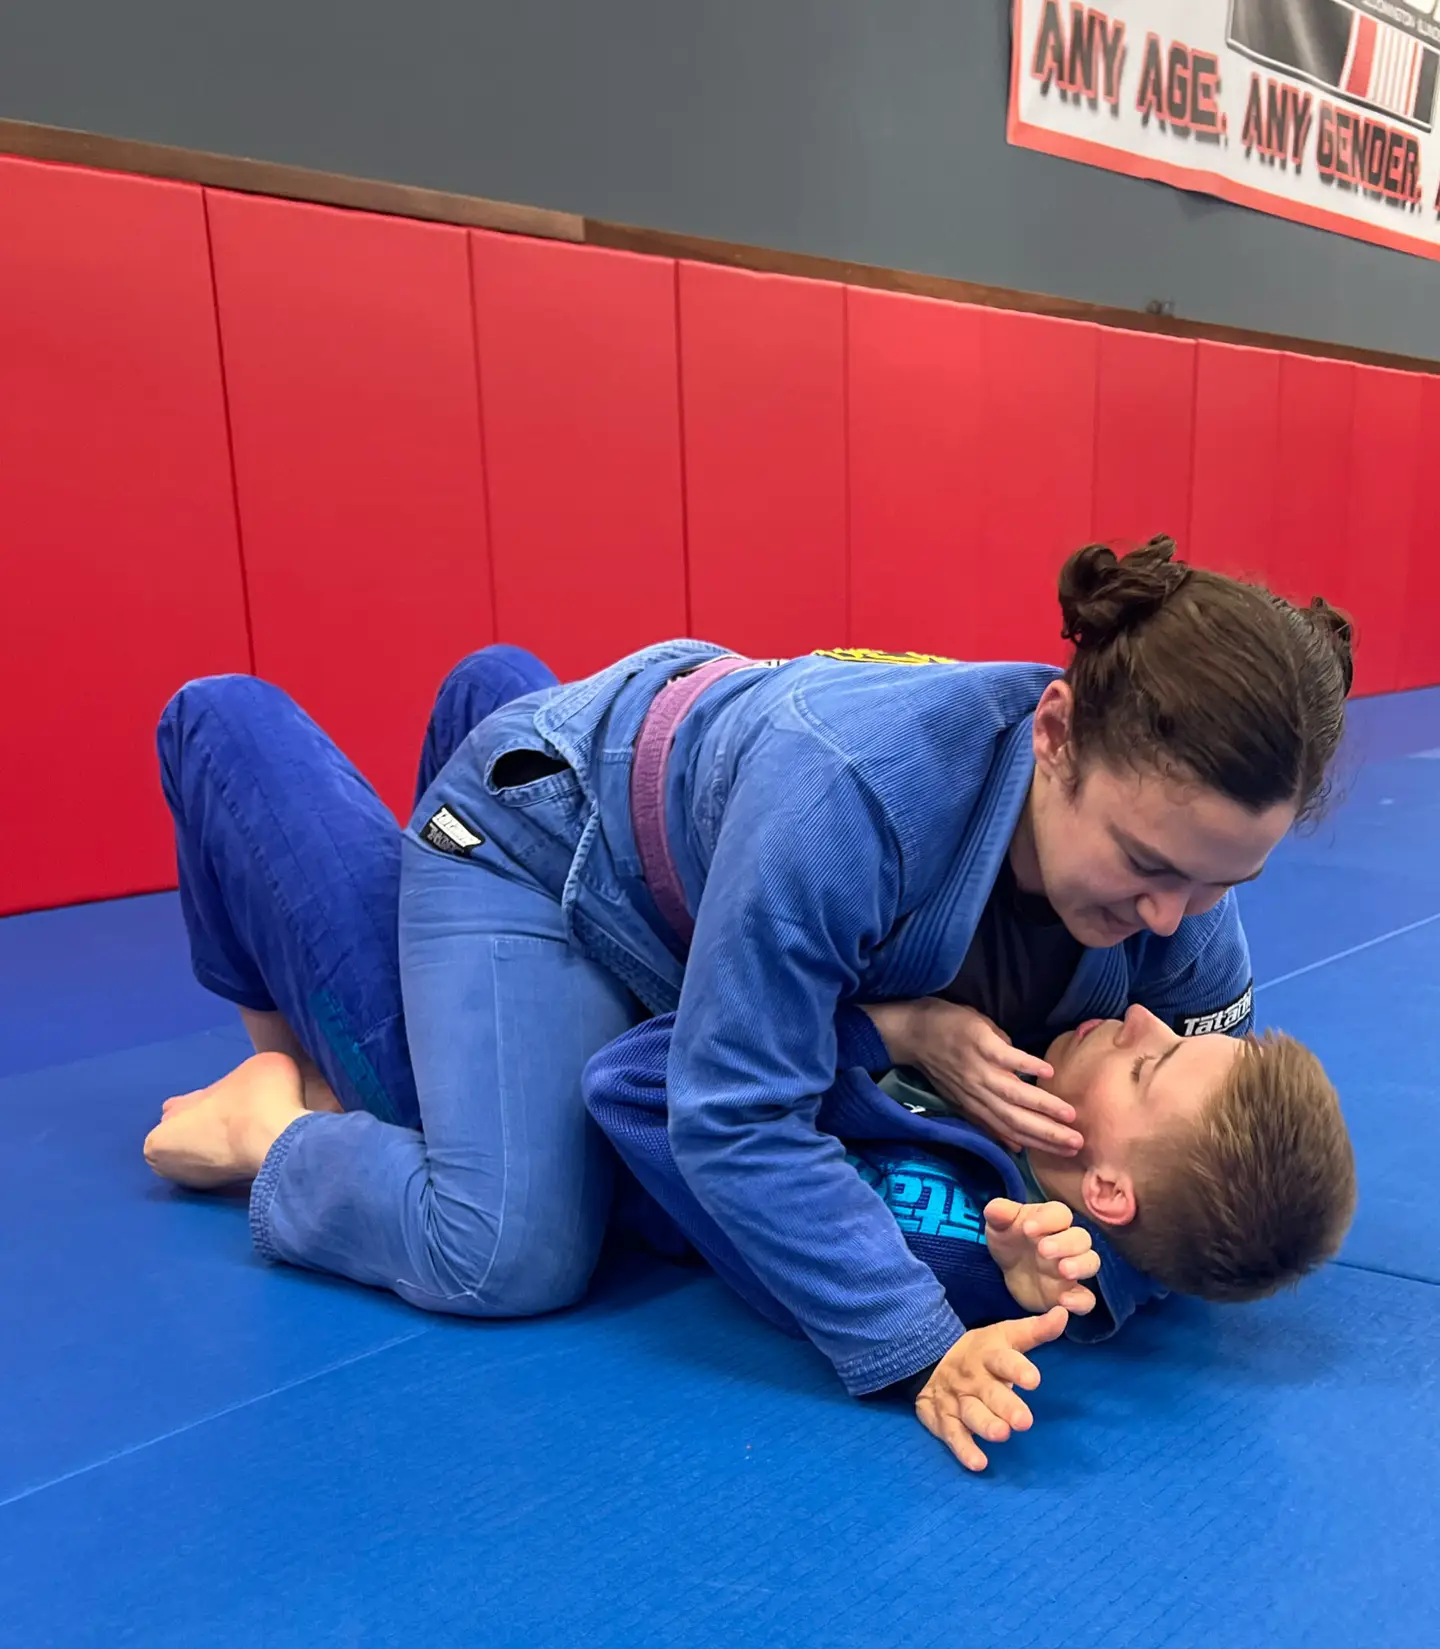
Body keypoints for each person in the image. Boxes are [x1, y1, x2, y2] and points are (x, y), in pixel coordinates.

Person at [142, 535, 1354, 1469]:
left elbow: (1197, 1132)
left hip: (705, 843)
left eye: (1221, 882)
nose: (1172, 926)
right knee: (510, 1244)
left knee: (615, 1094)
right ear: (1055, 734)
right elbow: (724, 1114)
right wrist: (922, 1346)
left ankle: (502, 699)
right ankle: (273, 1098)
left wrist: (1102, 1271)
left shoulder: (1180, 873)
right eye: (1149, 869)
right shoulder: (856, 801)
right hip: (557, 844)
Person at [582, 998, 1357, 1470]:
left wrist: (889, 1030)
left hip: (599, 1131)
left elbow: (634, 1083)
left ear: (1109, 1191)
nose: (1144, 1021)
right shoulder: (1125, 1234)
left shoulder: (942, 1239)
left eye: (1145, 1069)